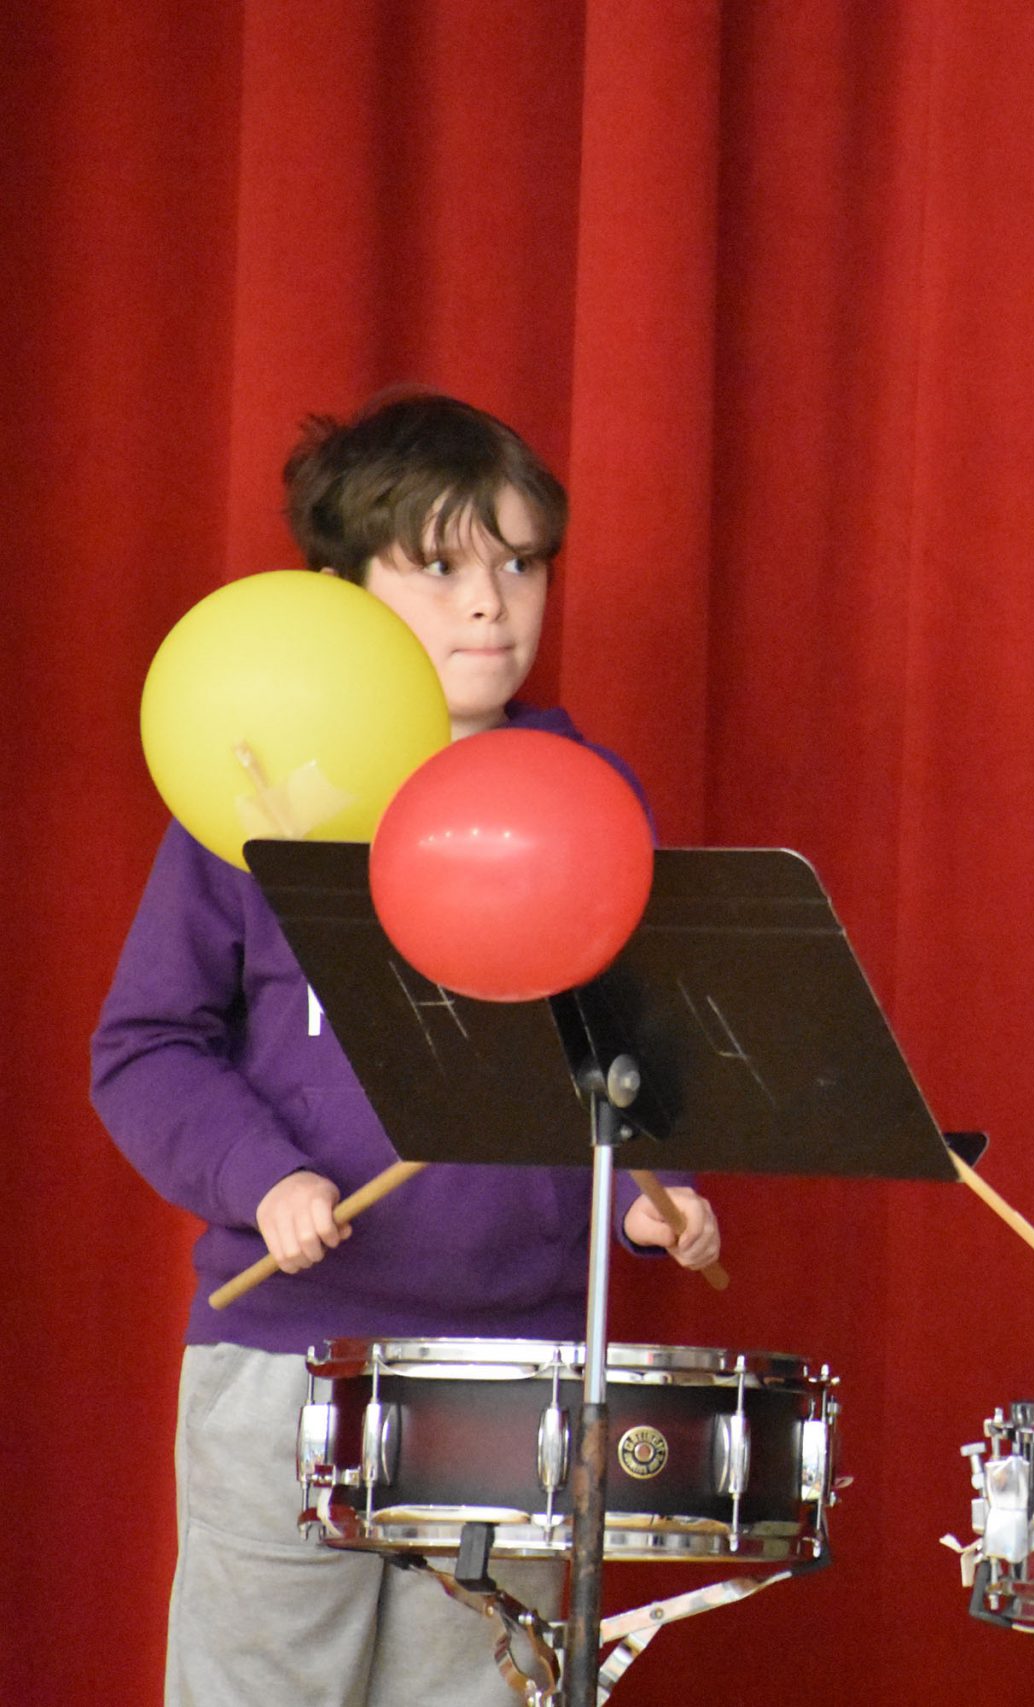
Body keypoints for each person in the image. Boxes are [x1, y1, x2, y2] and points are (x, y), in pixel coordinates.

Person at [93, 392, 723, 1707]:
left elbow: (632, 1070)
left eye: (519, 558)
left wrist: (650, 1199)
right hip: (289, 1369)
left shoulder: (591, 800)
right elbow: (146, 1046)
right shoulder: (251, 794)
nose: (489, 601)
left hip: (524, 1382)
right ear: (341, 588)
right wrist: (263, 1175)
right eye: (438, 564)